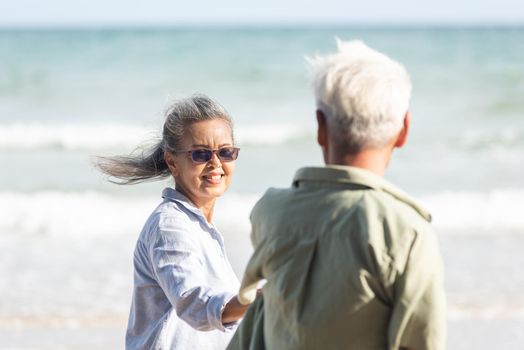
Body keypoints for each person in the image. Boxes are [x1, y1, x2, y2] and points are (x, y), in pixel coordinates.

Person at [228, 40, 446, 350]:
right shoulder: (407, 232)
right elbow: (422, 342)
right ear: (403, 131)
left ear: (320, 126)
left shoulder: (271, 213)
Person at [96, 94, 249, 349]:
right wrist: (256, 300)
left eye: (225, 152)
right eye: (200, 154)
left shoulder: (200, 228)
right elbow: (193, 302)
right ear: (172, 161)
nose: (215, 163)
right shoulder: (170, 226)